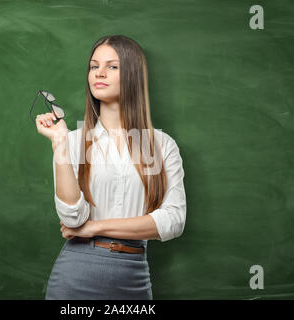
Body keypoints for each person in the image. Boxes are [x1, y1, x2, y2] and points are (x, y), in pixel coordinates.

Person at [36, 35, 187, 300]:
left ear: (132, 75)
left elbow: (173, 221)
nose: (99, 73)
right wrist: (59, 144)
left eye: (112, 66)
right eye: (94, 66)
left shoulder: (162, 146)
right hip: (76, 275)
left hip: (135, 278)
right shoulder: (70, 142)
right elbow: (73, 219)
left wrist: (95, 227)